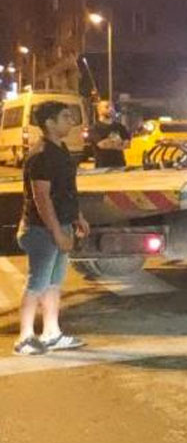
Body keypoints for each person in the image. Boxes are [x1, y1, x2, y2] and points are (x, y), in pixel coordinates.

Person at [14, 101, 89, 355]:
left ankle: (51, 333)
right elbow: (42, 198)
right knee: (37, 284)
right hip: (41, 230)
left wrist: (78, 217)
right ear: (49, 122)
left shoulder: (61, 149)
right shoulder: (41, 155)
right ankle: (25, 338)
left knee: (53, 284)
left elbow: (66, 190)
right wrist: (57, 232)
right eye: (65, 117)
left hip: (61, 225)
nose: (71, 121)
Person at [88, 100, 130, 168]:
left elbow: (127, 144)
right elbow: (102, 145)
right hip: (102, 167)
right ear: (99, 110)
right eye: (107, 107)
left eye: (112, 107)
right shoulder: (94, 128)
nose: (111, 109)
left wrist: (109, 142)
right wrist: (119, 143)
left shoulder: (120, 127)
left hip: (120, 165)